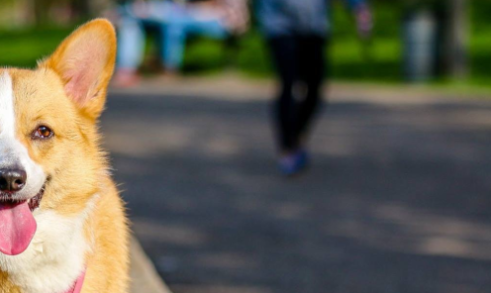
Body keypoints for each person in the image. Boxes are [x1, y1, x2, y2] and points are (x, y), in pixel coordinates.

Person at [258, 0, 373, 176]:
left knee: (315, 87)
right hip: (279, 24)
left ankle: (296, 136)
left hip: (314, 25)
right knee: (288, 82)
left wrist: (359, 8)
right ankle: (288, 148)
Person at [114, 0, 249, 85]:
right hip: (187, 13)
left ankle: (167, 67)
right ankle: (127, 69)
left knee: (173, 22)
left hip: (223, 18)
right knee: (130, 19)